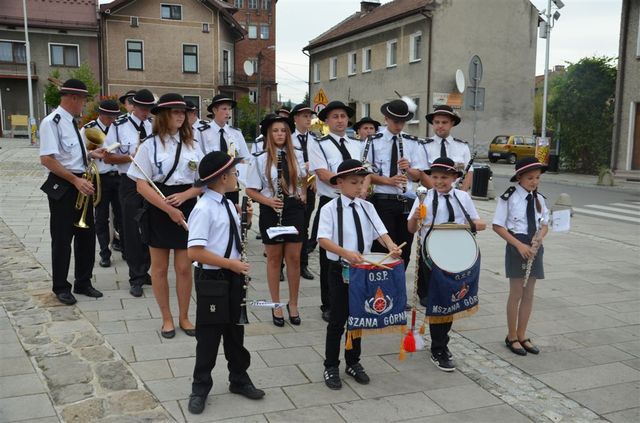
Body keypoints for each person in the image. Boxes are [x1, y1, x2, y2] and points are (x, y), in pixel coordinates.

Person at [187, 151, 265, 415]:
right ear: (222, 178)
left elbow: (233, 239)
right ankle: (200, 387)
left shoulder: (228, 204)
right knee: (209, 335)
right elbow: (194, 252)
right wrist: (231, 264)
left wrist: (248, 219)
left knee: (235, 331)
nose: (236, 177)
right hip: (212, 278)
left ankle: (239, 379)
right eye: (233, 173)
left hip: (232, 277)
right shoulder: (204, 208)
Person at [318, 159, 402, 390]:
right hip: (341, 270)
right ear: (340, 183)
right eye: (354, 183)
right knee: (338, 320)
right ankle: (331, 365)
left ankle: (353, 361)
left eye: (361, 182)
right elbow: (323, 240)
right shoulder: (329, 209)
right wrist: (344, 252)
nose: (359, 187)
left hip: (363, 270)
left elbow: (380, 231)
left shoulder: (367, 207)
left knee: (358, 318)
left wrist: (392, 245)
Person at [127, 93, 203, 338]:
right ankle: (167, 319)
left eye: (184, 112)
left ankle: (184, 317)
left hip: (186, 205)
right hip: (160, 207)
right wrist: (168, 208)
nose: (181, 116)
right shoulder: (149, 145)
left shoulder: (193, 144)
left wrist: (186, 196)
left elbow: (203, 182)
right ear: (163, 115)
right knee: (159, 269)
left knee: (183, 268)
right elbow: (141, 185)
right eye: (176, 112)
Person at [407, 157, 486, 372]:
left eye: (444, 177)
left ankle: (441, 343)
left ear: (454, 178)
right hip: (431, 257)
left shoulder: (462, 197)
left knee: (450, 300)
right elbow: (412, 229)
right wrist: (415, 217)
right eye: (435, 177)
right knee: (438, 300)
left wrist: (466, 224)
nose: (439, 181)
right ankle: (438, 348)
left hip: (456, 256)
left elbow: (480, 224)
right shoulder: (423, 197)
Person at [39, 79, 106, 305]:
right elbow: (47, 159)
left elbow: (70, 156)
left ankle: (83, 282)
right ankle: (61, 286)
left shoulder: (72, 122)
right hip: (65, 185)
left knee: (86, 236)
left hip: (81, 182)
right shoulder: (53, 122)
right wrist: (76, 181)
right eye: (84, 100)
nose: (85, 105)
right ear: (74, 98)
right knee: (62, 238)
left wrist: (91, 155)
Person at [246, 115, 306, 326]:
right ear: (269, 135)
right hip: (272, 208)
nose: (280, 134)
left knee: (294, 259)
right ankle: (276, 305)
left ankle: (294, 304)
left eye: (283, 130)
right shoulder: (261, 158)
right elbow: (250, 190)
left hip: (293, 209)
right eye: (275, 131)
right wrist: (268, 201)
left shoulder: (297, 155)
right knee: (274, 259)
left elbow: (303, 180)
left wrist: (303, 193)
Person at [308, 101, 363, 322]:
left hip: (356, 203)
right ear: (327, 121)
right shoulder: (319, 144)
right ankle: (329, 303)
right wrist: (346, 184)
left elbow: (364, 172)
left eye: (343, 116)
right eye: (335, 117)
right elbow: (322, 173)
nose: (340, 120)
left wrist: (361, 190)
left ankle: (354, 297)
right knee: (329, 257)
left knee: (355, 250)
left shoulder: (356, 144)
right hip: (331, 204)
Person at [493, 157, 549, 356]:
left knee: (529, 293)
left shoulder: (539, 199)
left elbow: (544, 224)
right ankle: (511, 336)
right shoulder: (509, 197)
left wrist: (539, 239)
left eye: (537, 178)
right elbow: (497, 226)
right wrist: (519, 245)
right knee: (516, 293)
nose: (534, 182)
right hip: (516, 245)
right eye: (530, 178)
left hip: (534, 246)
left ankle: (522, 334)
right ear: (519, 177)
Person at [104, 89, 155, 297]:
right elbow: (107, 157)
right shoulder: (119, 126)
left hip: (150, 182)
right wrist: (131, 157)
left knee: (149, 228)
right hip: (129, 181)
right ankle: (135, 277)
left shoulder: (152, 125)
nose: (145, 112)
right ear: (133, 106)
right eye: (142, 108)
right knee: (132, 229)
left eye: (149, 108)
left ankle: (145, 270)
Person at [365, 99, 427, 267]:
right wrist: (388, 180)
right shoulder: (373, 141)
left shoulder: (413, 142)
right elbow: (366, 173)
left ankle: (397, 284)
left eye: (402, 122)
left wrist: (409, 169)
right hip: (383, 199)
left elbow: (419, 175)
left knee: (404, 248)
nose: (399, 126)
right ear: (386, 119)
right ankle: (381, 287)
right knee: (383, 247)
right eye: (395, 121)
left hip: (407, 201)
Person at [81, 99, 123, 268]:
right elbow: (80, 152)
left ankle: (125, 248)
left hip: (119, 176)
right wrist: (92, 154)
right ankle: (104, 252)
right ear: (101, 114)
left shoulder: (119, 127)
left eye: (114, 116)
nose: (112, 120)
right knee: (101, 216)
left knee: (122, 215)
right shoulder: (89, 128)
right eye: (109, 117)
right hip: (101, 177)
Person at [197, 94, 250, 204]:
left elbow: (244, 158)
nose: (227, 112)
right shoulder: (202, 133)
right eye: (224, 109)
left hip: (231, 182)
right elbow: (199, 159)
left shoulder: (235, 133)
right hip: (211, 183)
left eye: (229, 109)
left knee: (231, 213)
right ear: (215, 110)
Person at [290, 103, 317, 281]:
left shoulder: (315, 139)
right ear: (295, 119)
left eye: (309, 116)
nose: (308, 119)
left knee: (305, 226)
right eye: (304, 116)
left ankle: (303, 265)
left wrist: (313, 176)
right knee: (291, 227)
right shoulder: (289, 139)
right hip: (293, 188)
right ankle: (284, 264)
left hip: (311, 186)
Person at [422, 105, 473, 191]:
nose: (440, 126)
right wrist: (439, 192)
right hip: (431, 195)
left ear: (452, 123)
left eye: (444, 122)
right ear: (432, 123)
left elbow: (469, 172)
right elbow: (422, 173)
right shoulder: (424, 146)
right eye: (437, 122)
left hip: (456, 195)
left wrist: (460, 195)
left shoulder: (462, 146)